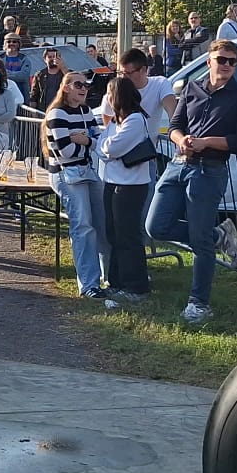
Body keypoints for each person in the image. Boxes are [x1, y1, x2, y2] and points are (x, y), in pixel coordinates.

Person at [149, 40, 237, 324]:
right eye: (221, 59)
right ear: (209, 60)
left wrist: (206, 142)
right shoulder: (191, 88)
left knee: (199, 242)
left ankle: (199, 303)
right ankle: (219, 236)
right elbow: (174, 125)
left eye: (232, 62)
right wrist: (180, 140)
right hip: (178, 165)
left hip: (210, 170)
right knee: (155, 226)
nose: (226, 66)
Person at [45, 70, 107, 298]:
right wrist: (85, 142)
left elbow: (98, 141)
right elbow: (66, 151)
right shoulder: (56, 114)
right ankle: (89, 285)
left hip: (87, 171)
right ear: (66, 87)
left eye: (86, 85)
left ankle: (108, 277)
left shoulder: (86, 110)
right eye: (78, 84)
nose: (84, 89)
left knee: (102, 223)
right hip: (66, 174)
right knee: (83, 227)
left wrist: (84, 139)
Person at [96, 76, 156, 303]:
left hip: (131, 185)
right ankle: (116, 281)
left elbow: (111, 148)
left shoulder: (135, 120)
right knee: (113, 232)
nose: (107, 99)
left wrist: (103, 148)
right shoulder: (115, 122)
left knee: (127, 235)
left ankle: (137, 286)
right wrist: (104, 147)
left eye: (109, 94)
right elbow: (104, 144)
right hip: (112, 181)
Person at [105, 48, 178, 134]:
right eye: (121, 73)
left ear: (143, 70)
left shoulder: (160, 83)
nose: (123, 78)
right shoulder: (116, 89)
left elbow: (173, 112)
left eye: (128, 73)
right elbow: (106, 114)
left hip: (147, 146)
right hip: (121, 144)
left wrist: (177, 132)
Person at [29, 46, 66, 112]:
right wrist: (33, 110)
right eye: (50, 57)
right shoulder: (39, 74)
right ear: (45, 59)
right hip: (44, 109)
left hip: (61, 108)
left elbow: (71, 80)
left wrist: (62, 67)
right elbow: (34, 93)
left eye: (54, 57)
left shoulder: (64, 72)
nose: (52, 59)